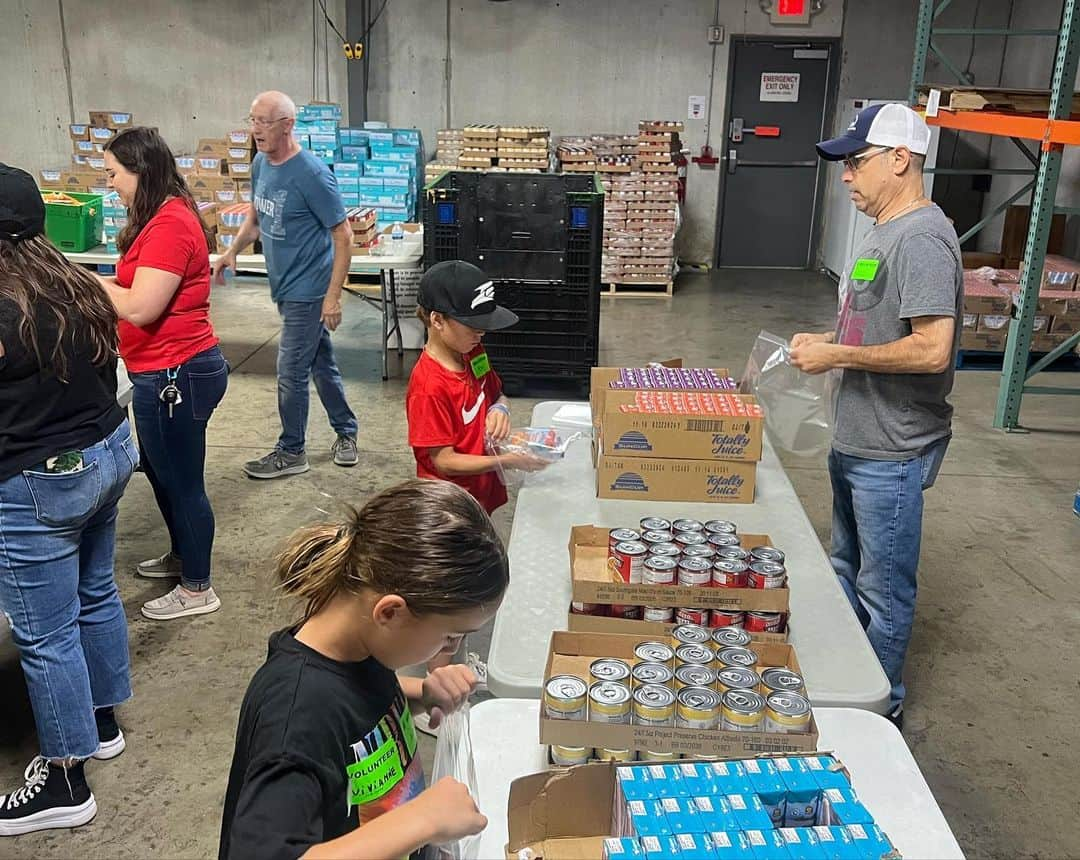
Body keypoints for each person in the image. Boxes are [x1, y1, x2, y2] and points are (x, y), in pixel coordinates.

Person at [790, 103, 962, 727]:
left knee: (882, 592)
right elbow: (874, 323)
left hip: (891, 449)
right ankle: (845, 683)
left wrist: (838, 352)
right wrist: (828, 339)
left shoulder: (920, 238)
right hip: (858, 438)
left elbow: (932, 347)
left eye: (857, 163)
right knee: (845, 569)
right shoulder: (884, 231)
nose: (846, 177)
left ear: (900, 159)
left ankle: (879, 706)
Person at [218, 479, 500, 859]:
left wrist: (423, 693)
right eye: (450, 636)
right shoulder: (295, 714)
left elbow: (356, 703)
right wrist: (423, 819)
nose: (452, 649)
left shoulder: (360, 649)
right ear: (390, 612)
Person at [0, 165, 136, 835]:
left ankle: (63, 779)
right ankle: (102, 720)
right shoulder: (74, 283)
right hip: (108, 453)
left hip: (40, 480)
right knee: (94, 593)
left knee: (44, 634)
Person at [98, 127, 229, 621]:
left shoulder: (171, 224)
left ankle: (198, 587)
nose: (110, 183)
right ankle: (183, 556)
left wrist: (89, 283)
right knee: (159, 471)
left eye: (114, 174)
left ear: (141, 170)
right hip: (160, 370)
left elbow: (142, 307)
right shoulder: (156, 217)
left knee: (182, 481)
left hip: (179, 373)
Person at [211, 90, 359, 479]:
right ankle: (347, 432)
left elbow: (344, 236)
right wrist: (232, 250)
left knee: (290, 370)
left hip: (308, 290)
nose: (256, 130)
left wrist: (333, 298)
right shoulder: (261, 163)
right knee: (321, 364)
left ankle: (292, 450)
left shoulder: (311, 174)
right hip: (283, 285)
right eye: (253, 120)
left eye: (264, 122)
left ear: (288, 125)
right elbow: (256, 218)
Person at [407, 260, 547, 517]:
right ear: (437, 320)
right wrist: (509, 461)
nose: (481, 333)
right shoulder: (429, 387)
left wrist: (500, 408)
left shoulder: (472, 352)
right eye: (473, 325)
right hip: (450, 507)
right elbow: (444, 461)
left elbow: (495, 392)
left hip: (481, 489)